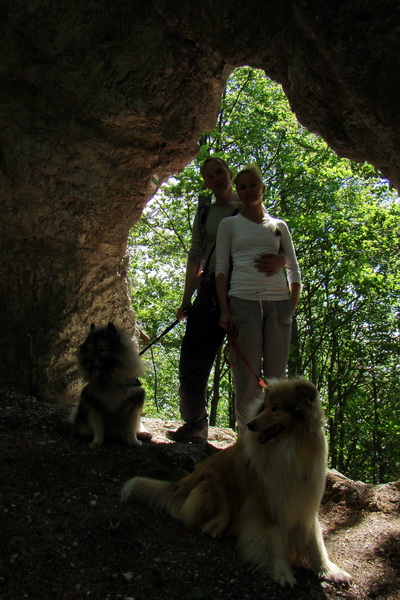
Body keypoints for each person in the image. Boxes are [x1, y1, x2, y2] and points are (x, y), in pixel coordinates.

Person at [167, 157, 285, 443]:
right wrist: (186, 298)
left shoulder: (250, 202)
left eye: (220, 172)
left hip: (247, 291)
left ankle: (257, 434)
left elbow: (274, 239)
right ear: (206, 182)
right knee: (193, 359)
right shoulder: (206, 210)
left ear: (230, 174)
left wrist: (281, 261)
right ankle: (195, 424)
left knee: (249, 369)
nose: (217, 178)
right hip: (210, 291)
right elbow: (196, 256)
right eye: (209, 176)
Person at [215, 164, 301, 434]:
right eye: (243, 187)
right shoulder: (229, 224)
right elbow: (221, 269)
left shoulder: (279, 226)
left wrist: (291, 305)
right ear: (237, 192)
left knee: (277, 382)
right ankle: (247, 444)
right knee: (247, 381)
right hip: (243, 303)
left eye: (253, 185)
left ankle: (275, 441)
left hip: (279, 307)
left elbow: (294, 269)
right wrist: (224, 310)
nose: (249, 191)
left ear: (263, 188)